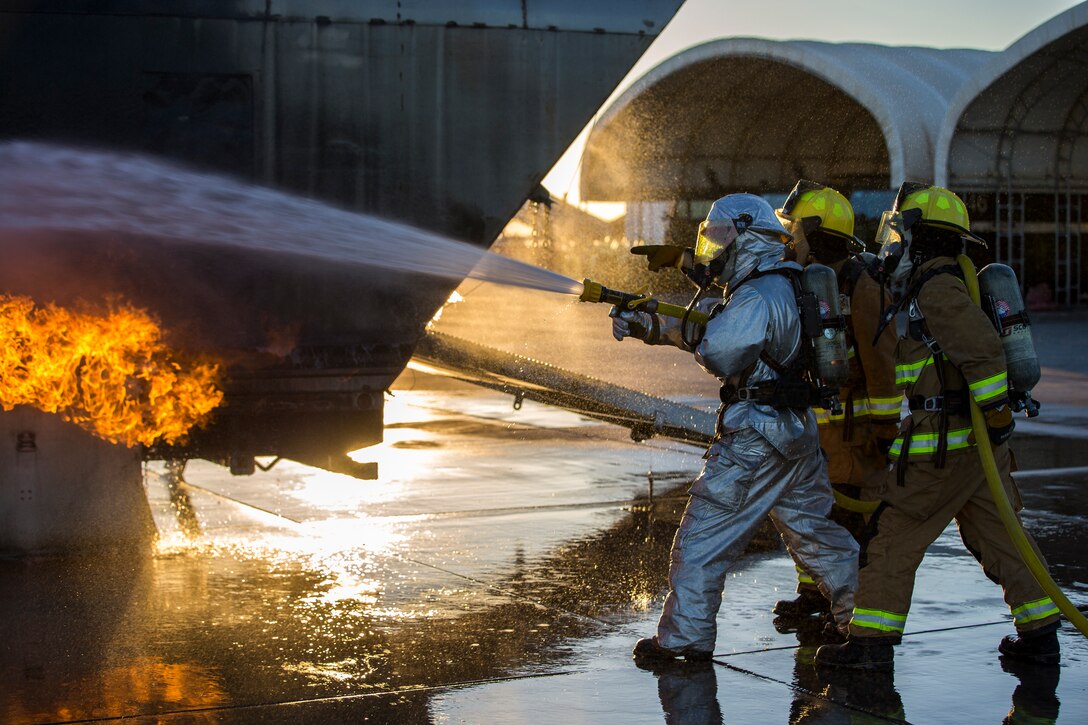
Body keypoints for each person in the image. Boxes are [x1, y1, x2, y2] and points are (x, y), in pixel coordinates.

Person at [814, 183, 1062, 670]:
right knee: (1001, 537)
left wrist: (995, 416)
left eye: (902, 233)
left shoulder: (937, 286)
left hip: (941, 451)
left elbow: (984, 354)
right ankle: (1041, 633)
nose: (894, 244)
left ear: (922, 238)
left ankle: (869, 645)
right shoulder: (935, 281)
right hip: (969, 451)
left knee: (891, 536)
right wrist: (991, 430)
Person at [613, 193, 859, 661]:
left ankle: (684, 640)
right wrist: (654, 324)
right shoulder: (783, 283)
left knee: (701, 541)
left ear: (745, 237)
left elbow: (719, 351)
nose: (713, 248)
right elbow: (719, 334)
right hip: (794, 434)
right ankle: (864, 620)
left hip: (754, 440)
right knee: (817, 537)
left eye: (720, 236)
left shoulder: (756, 294)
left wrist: (662, 327)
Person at [771, 181, 900, 620]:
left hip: (854, 439)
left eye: (797, 234)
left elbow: (883, 364)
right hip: (815, 431)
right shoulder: (801, 281)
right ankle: (813, 593)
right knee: (810, 516)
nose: (790, 242)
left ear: (819, 236)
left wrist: (885, 432)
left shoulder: (862, 288)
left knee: (849, 522)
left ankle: (848, 610)